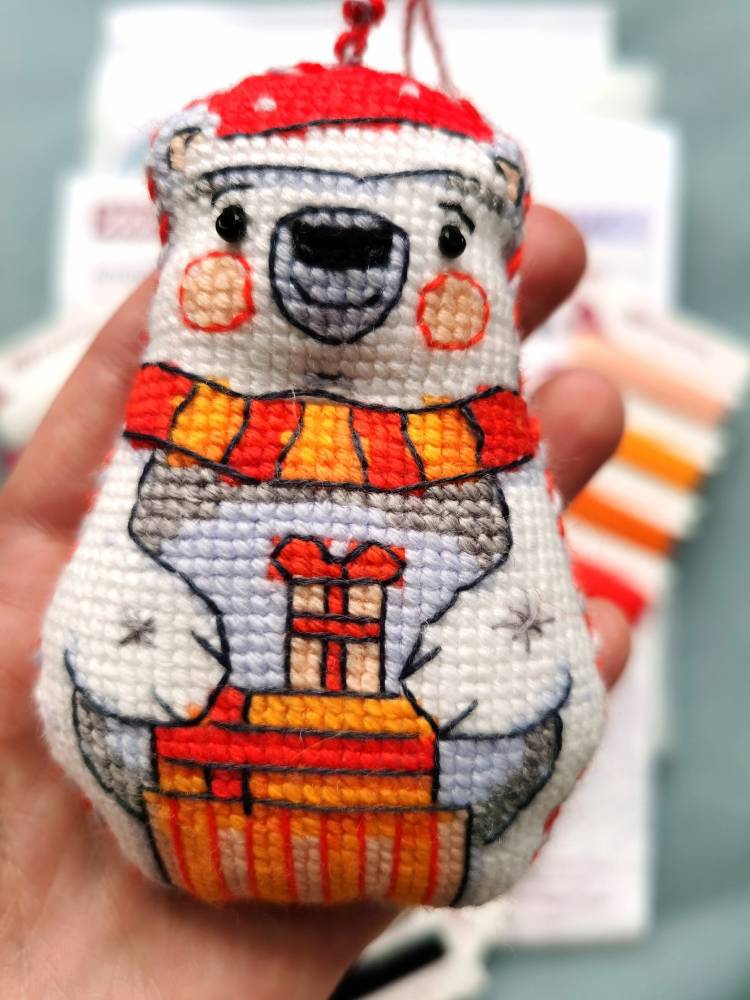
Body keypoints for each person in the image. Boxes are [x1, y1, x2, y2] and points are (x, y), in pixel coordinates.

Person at [0, 205, 629, 999]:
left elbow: (510, 587)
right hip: (200, 800)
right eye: (234, 221)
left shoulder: (473, 451)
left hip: (401, 797)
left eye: (448, 239)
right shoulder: (191, 432)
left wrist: (506, 641)